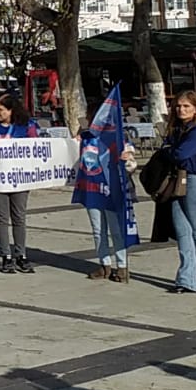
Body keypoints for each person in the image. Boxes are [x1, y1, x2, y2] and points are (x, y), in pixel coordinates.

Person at [0, 94, 40, 274]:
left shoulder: (27, 127)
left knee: (19, 216)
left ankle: (21, 254)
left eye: (0, 110)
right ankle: (5, 256)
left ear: (11, 110)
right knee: (1, 218)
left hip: (20, 179)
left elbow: (38, 148)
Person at [74, 107, 136, 283]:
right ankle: (104, 264)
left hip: (112, 190)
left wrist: (127, 159)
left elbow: (131, 163)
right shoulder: (85, 138)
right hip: (91, 189)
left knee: (116, 230)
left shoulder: (119, 137)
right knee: (98, 230)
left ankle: (122, 266)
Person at [163, 90, 196, 293]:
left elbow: (181, 153)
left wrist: (169, 151)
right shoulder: (177, 130)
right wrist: (169, 150)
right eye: (178, 106)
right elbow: (169, 149)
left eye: (186, 106)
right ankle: (186, 279)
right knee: (182, 231)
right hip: (178, 181)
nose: (181, 110)